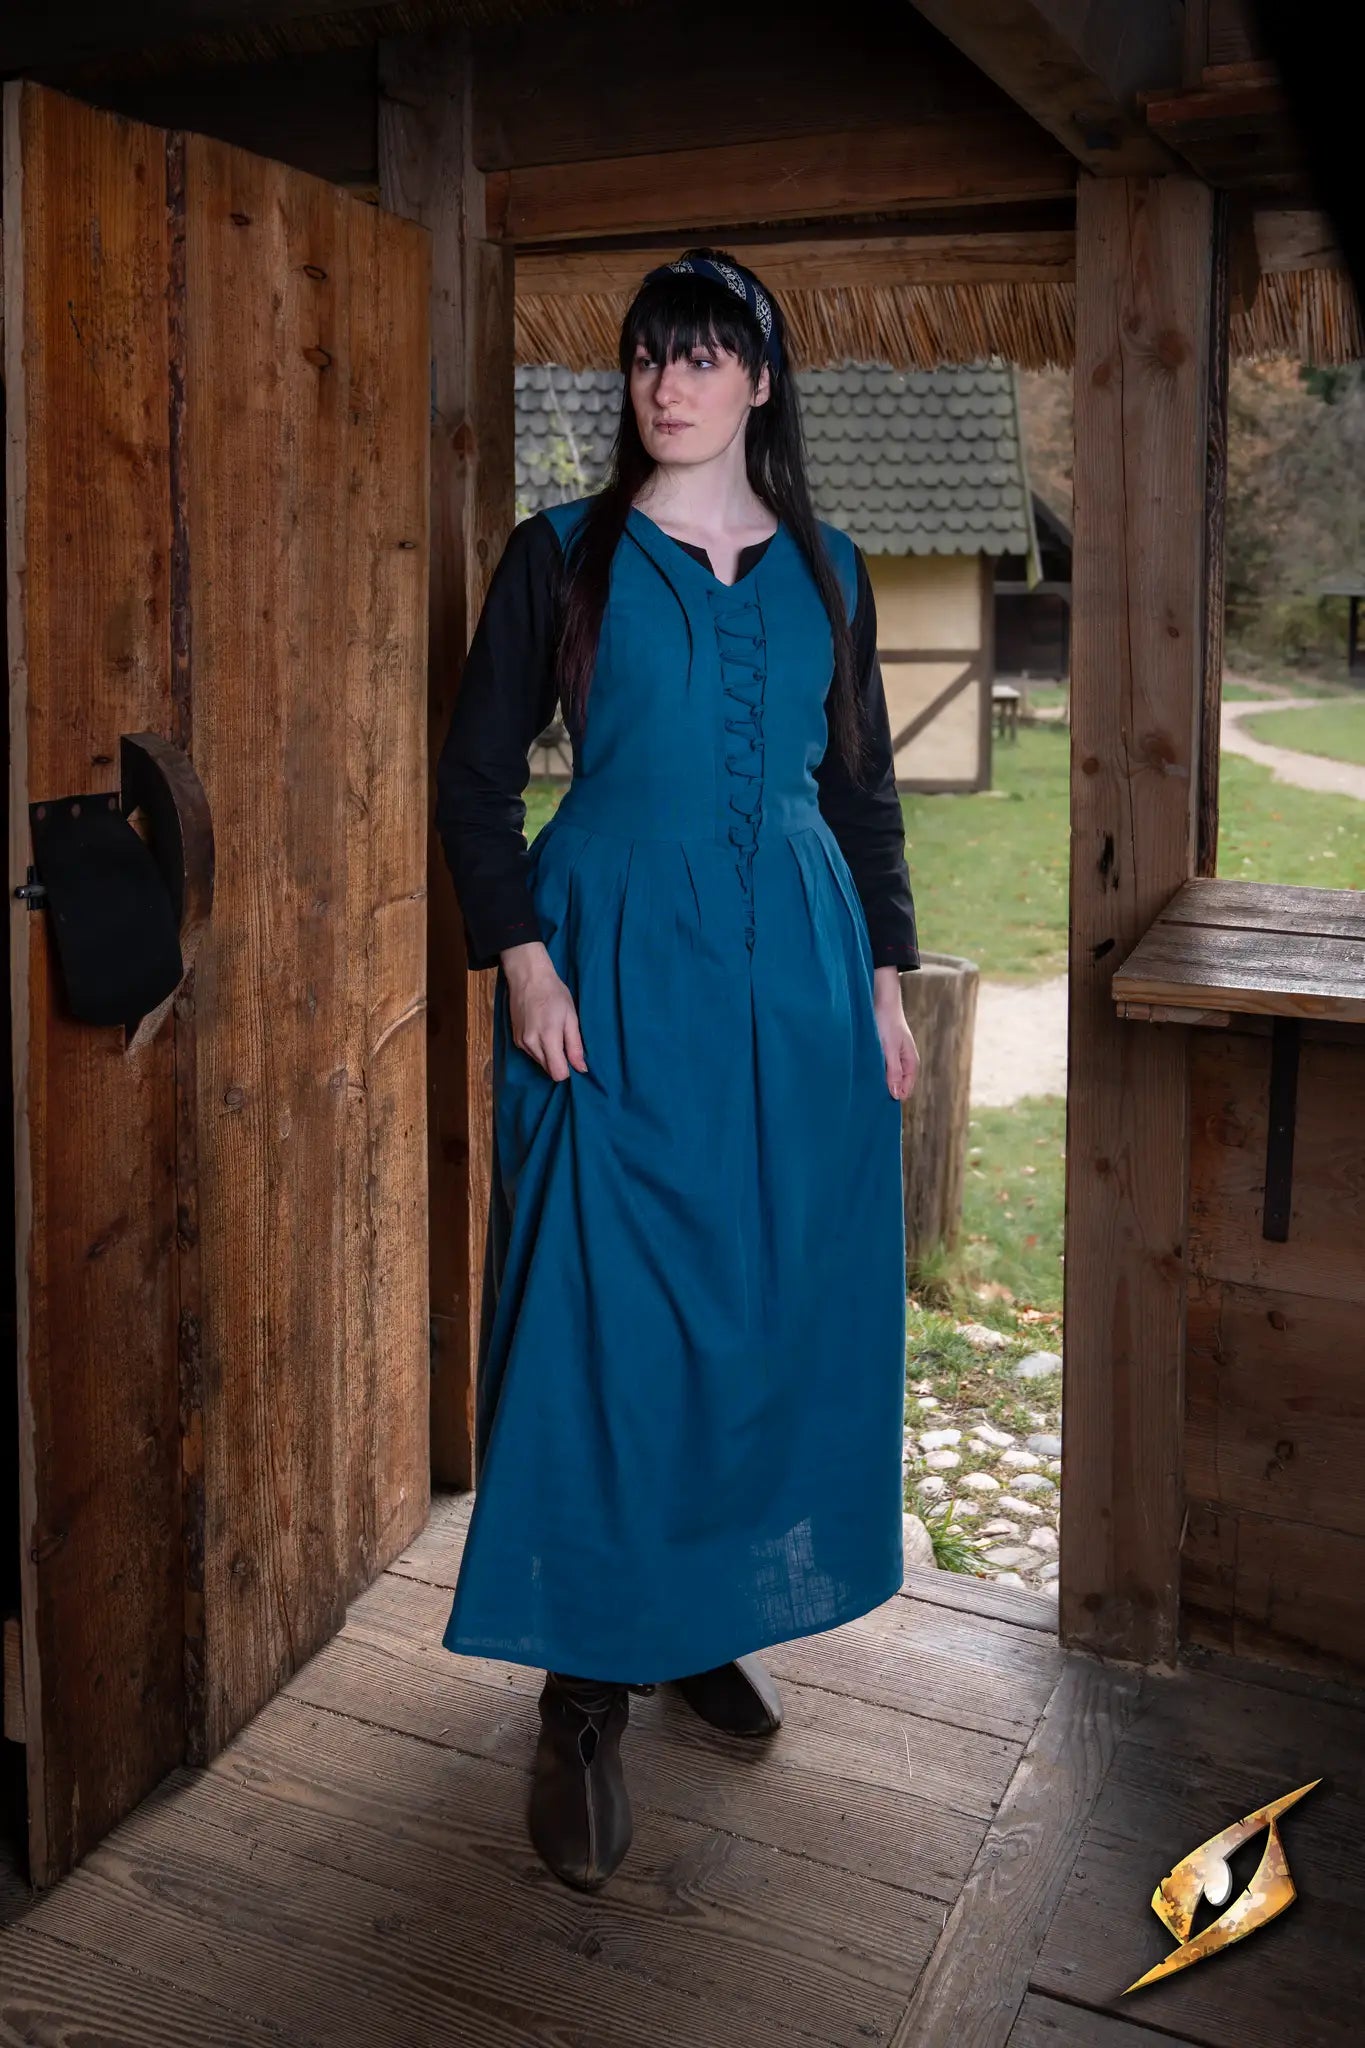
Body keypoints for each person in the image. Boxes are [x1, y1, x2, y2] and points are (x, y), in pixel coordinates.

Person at [434, 248, 922, 1893]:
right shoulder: (556, 556)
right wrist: (519, 959)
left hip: (793, 981)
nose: (672, 383)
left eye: (707, 358)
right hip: (609, 972)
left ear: (760, 385)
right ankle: (583, 1692)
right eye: (651, 357)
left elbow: (860, 796)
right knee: (604, 1317)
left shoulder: (833, 572)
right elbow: (475, 779)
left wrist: (882, 980)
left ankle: (702, 1607)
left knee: (763, 1304)